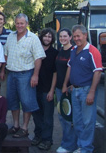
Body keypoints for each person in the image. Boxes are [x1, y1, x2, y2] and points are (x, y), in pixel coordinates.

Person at [62, 25, 102, 153]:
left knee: (87, 121)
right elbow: (70, 67)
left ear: (85, 35)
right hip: (75, 90)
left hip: (86, 90)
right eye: (74, 36)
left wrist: (92, 92)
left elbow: (97, 72)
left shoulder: (92, 51)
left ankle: (86, 148)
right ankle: (81, 145)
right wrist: (65, 84)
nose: (76, 38)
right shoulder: (73, 50)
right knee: (77, 120)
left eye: (78, 36)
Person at [4, 13, 46, 138]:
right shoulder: (11, 36)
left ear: (26, 24)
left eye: (22, 23)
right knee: (12, 101)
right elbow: (6, 53)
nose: (19, 25)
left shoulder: (33, 38)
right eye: (17, 23)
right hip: (11, 74)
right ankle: (16, 125)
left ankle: (25, 128)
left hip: (26, 74)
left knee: (27, 102)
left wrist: (35, 75)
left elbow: (38, 58)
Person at [31, 28, 58, 150]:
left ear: (52, 39)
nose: (47, 38)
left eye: (49, 36)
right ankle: (38, 136)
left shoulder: (54, 53)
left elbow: (55, 73)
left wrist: (52, 90)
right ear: (41, 37)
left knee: (47, 117)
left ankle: (47, 139)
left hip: (47, 89)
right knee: (37, 115)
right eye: (45, 36)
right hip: (35, 88)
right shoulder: (36, 50)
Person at [55, 28, 77, 153]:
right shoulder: (60, 51)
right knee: (63, 116)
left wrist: (71, 85)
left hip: (69, 89)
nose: (63, 38)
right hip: (59, 88)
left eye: (65, 36)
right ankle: (67, 143)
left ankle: (71, 145)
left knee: (71, 118)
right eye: (61, 36)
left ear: (70, 37)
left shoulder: (73, 51)